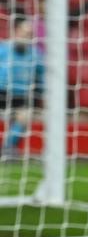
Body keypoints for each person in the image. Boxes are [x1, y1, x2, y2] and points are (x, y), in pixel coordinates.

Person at [0, 15, 44, 158]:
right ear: (16, 32)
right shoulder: (3, 50)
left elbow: (42, 76)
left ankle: (8, 147)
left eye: (29, 34)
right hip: (2, 91)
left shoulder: (36, 55)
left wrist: (42, 93)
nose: (26, 37)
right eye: (24, 33)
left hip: (21, 95)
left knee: (24, 116)